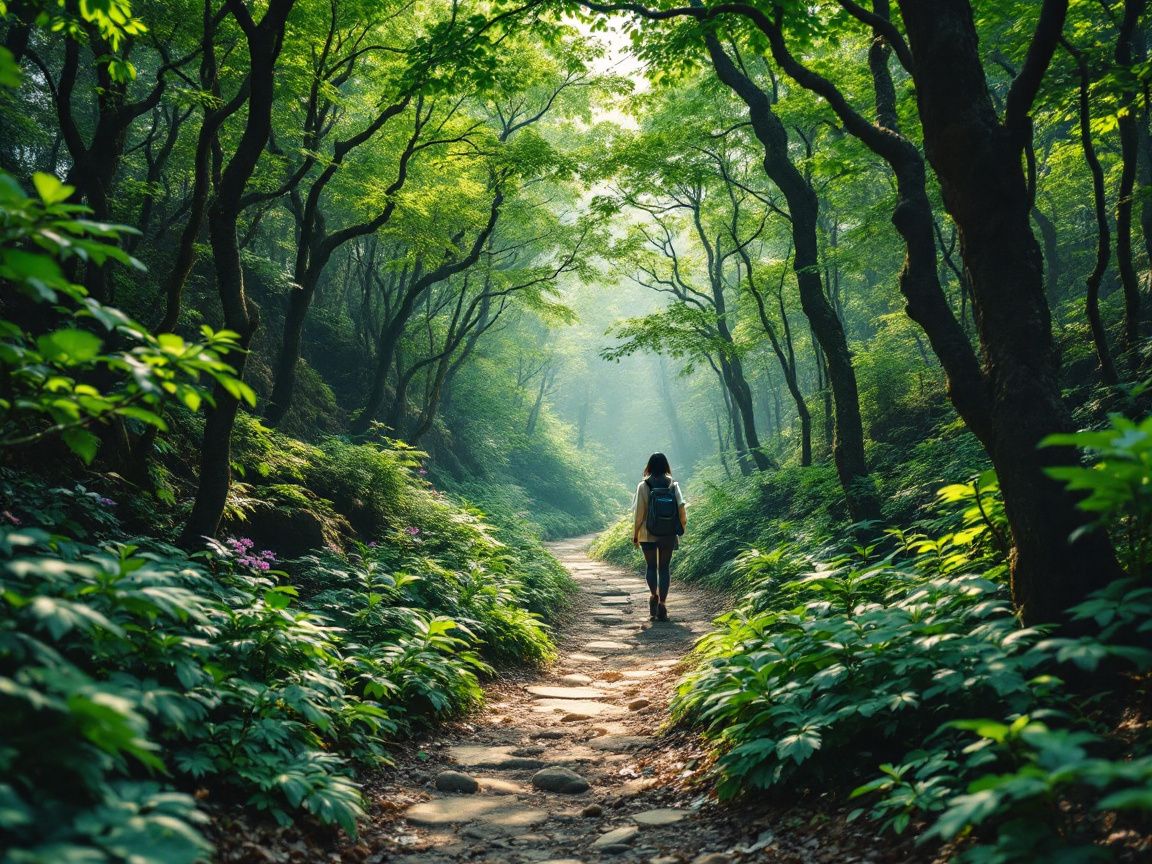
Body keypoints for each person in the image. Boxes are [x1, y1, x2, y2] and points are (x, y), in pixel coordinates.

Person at [632, 452, 687, 621]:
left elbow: (639, 513)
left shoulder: (643, 486)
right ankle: (663, 604)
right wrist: (681, 527)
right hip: (668, 534)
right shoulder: (673, 485)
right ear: (665, 466)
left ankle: (653, 596)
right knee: (664, 569)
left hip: (647, 533)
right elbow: (681, 508)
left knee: (651, 567)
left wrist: (635, 533)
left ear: (649, 466)